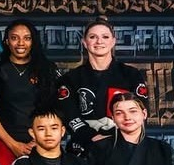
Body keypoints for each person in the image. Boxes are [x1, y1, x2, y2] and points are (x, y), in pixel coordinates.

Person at [56, 16, 149, 150]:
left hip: (123, 146)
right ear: (84, 42)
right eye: (93, 37)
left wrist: (119, 139)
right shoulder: (70, 78)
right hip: (83, 148)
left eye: (105, 37)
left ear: (113, 42)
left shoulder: (130, 75)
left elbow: (139, 113)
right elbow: (69, 115)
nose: (99, 41)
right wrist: (93, 138)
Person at [0, 19, 60, 165]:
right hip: (5, 140)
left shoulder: (47, 69)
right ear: (6, 41)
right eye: (14, 37)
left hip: (41, 140)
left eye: (27, 38)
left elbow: (56, 109)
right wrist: (13, 145)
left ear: (33, 41)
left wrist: (39, 139)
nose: (21, 43)